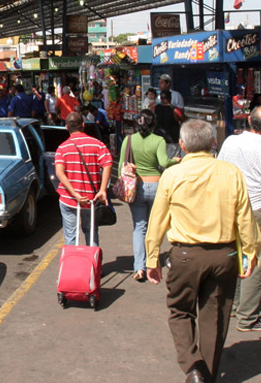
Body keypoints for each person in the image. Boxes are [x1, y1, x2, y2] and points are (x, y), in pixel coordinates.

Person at [145, 119, 259, 383]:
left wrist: (151, 259)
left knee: (180, 312)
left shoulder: (172, 175)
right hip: (225, 255)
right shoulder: (231, 173)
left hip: (185, 255)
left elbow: (157, 220)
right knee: (215, 318)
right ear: (212, 144)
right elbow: (245, 218)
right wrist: (250, 253)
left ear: (181, 145)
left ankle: (193, 367)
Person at [218, 105, 261, 330]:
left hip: (232, 208)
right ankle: (248, 316)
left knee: (236, 256)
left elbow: (220, 169)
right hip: (257, 208)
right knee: (258, 260)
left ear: (248, 120)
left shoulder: (230, 141)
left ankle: (236, 306)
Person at [118, 110, 177, 282]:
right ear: (153, 124)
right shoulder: (158, 140)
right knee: (155, 226)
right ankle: (154, 262)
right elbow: (164, 162)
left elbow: (122, 164)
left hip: (136, 186)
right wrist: (177, 161)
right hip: (156, 186)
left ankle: (139, 267)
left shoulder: (129, 140)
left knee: (139, 227)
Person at [54, 112, 113, 246]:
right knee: (91, 234)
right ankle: (93, 265)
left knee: (70, 237)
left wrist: (74, 194)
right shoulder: (98, 145)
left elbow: (59, 173)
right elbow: (108, 164)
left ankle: (72, 265)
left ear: (66, 127)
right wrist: (103, 189)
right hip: (91, 199)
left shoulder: (62, 148)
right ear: (83, 125)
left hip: (68, 199)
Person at [153, 90, 182, 157]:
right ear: (170, 98)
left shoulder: (155, 108)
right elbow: (181, 119)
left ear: (161, 98)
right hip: (172, 139)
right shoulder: (175, 109)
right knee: (173, 161)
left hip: (158, 138)